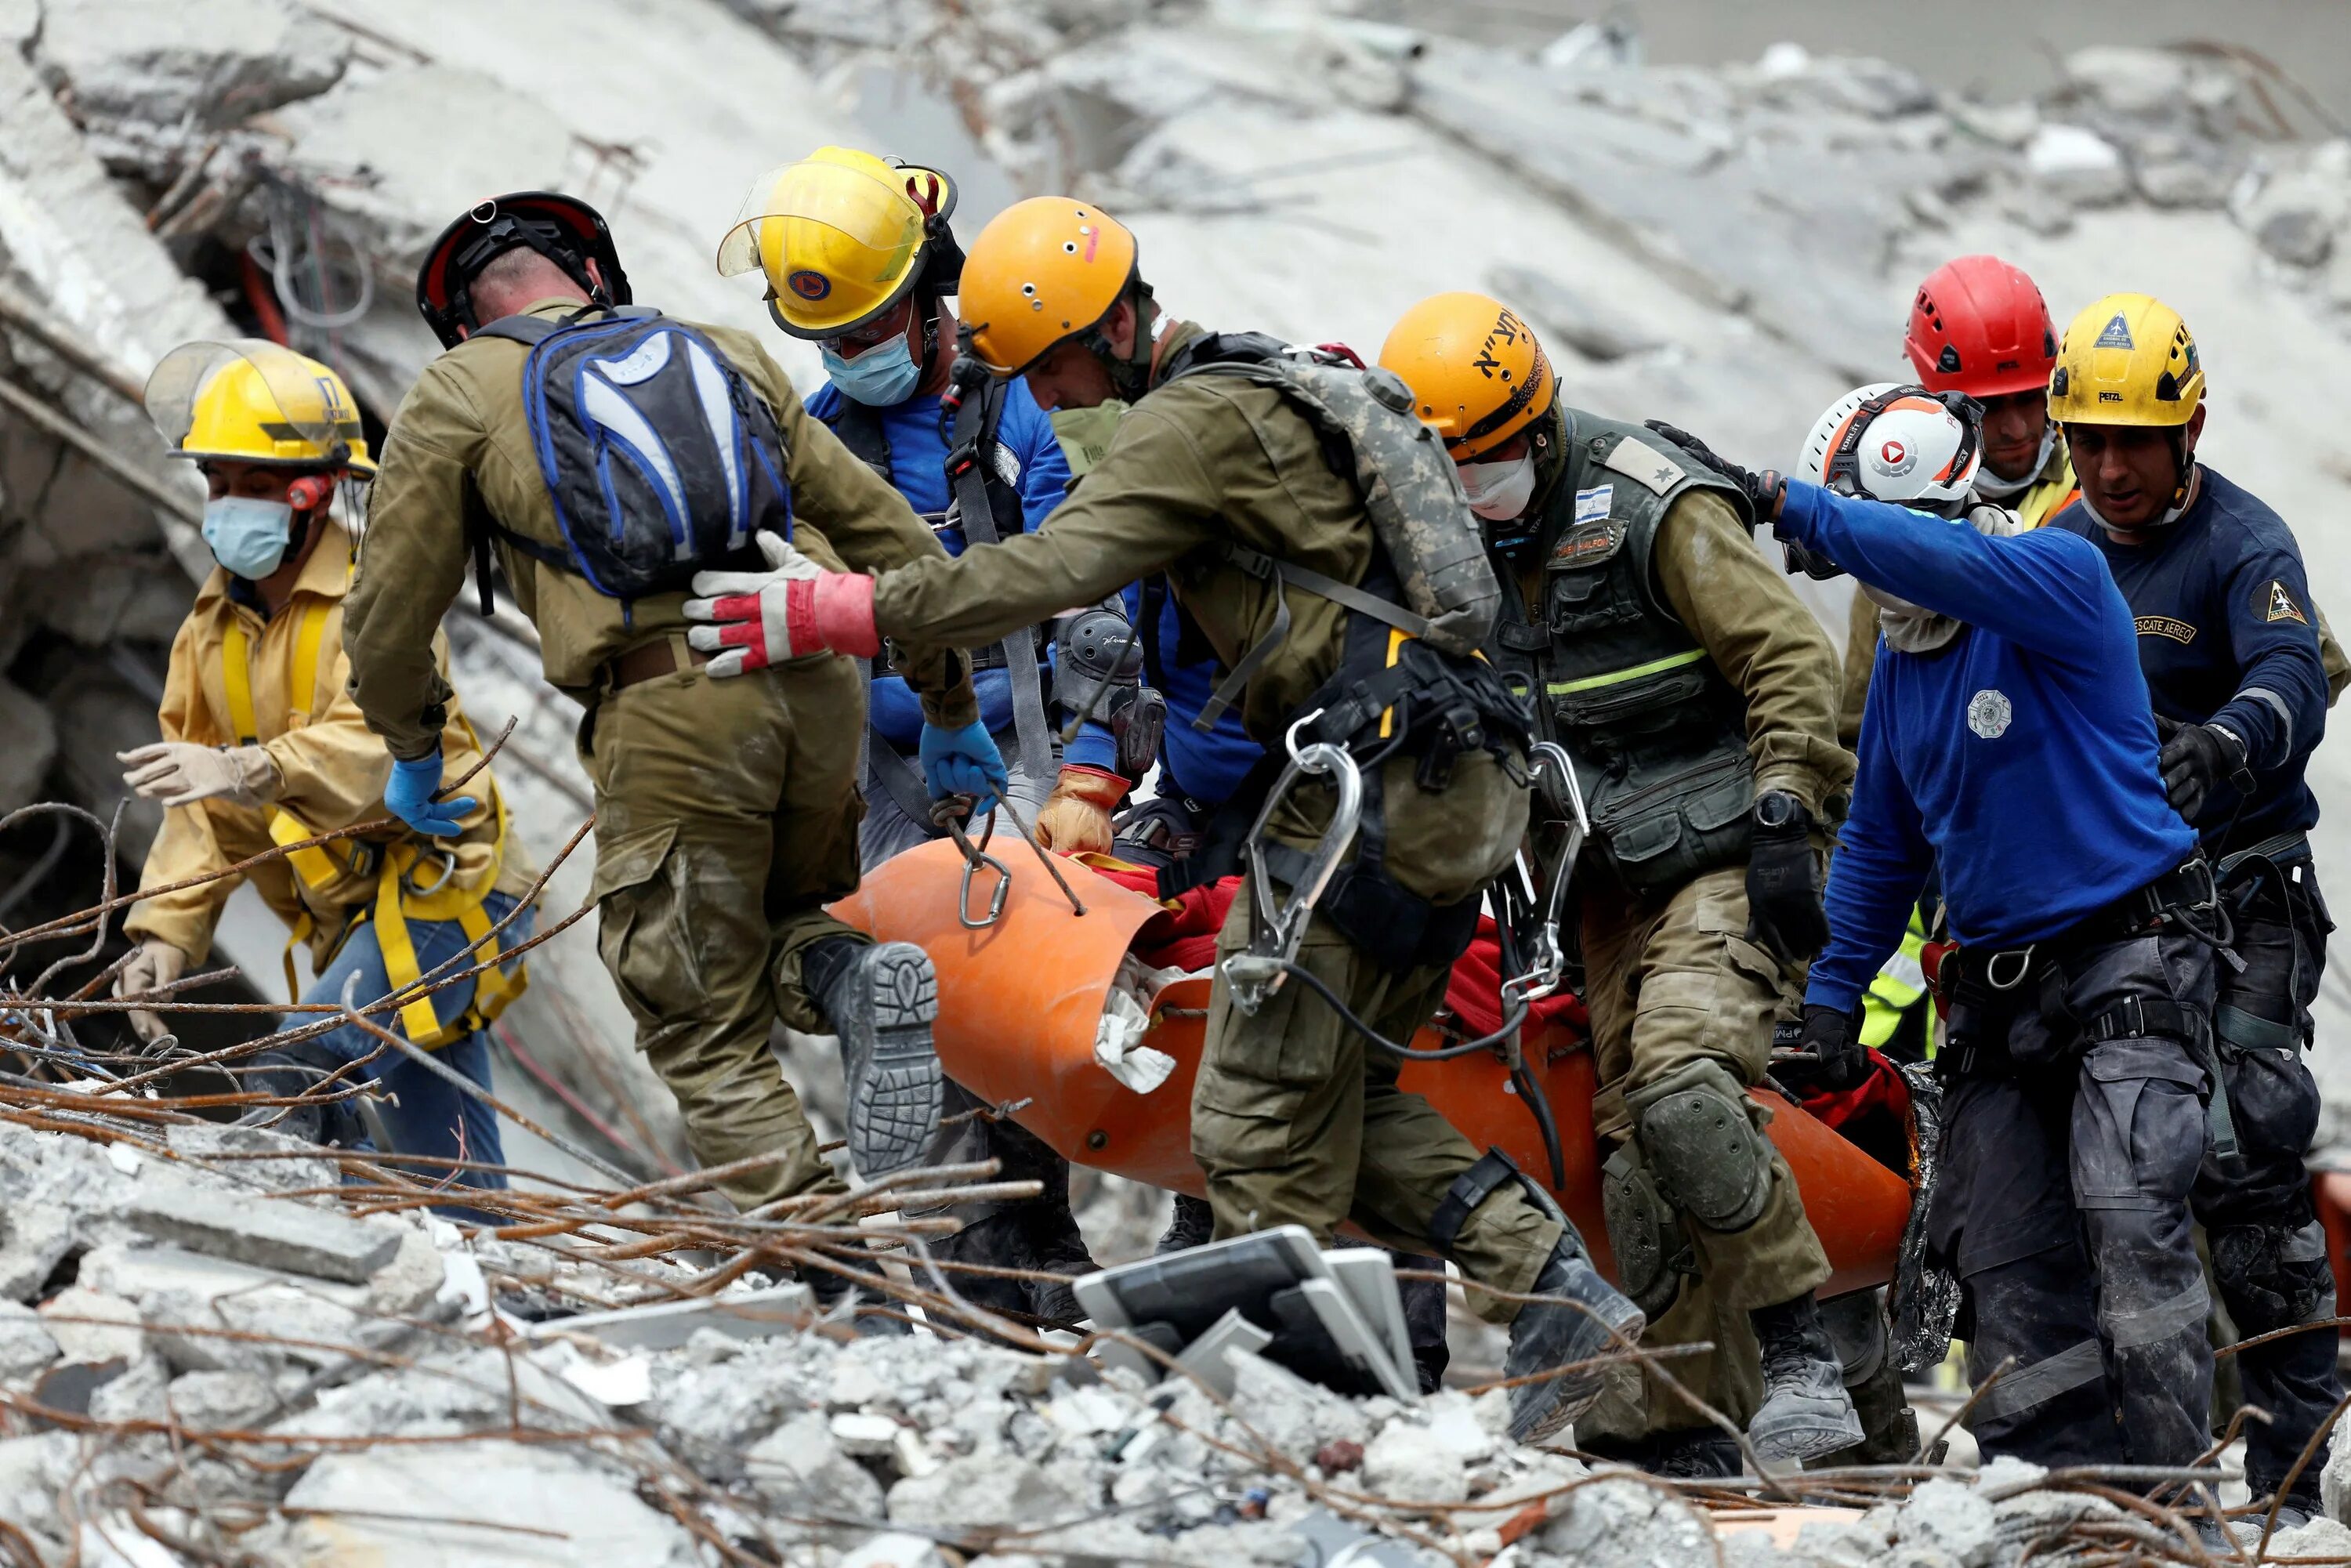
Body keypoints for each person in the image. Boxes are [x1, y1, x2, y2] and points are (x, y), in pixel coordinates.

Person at [685, 194, 1644, 1442]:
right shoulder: (1249, 384)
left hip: (1383, 787)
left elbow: (1046, 571)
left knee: (1250, 1113)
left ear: (1091, 335)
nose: (1056, 399)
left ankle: (1325, 1402)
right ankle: (1550, 1292)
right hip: (1438, 779)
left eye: (1049, 370)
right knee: (1331, 1082)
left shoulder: (1187, 425)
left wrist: (845, 613)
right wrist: (1095, 779)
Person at [341, 192, 992, 1316]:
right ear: (594, 276)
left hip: (675, 710)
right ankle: (847, 976)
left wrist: (411, 748)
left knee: (697, 1015)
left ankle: (838, 1278)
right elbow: (883, 531)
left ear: (463, 318)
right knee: (786, 922)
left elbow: (388, 619)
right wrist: (946, 704)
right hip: (819, 684)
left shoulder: (459, 390)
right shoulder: (720, 350)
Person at [1665, 386, 2219, 1472]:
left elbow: (1949, 565)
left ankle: (2173, 1497)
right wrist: (1829, 1004)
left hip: (2128, 957)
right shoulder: (1911, 670)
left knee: (2130, 1208)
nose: (1866, 576)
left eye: (1872, 535)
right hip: (2000, 999)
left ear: (1914, 515)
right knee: (2003, 1258)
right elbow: (1880, 842)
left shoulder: (2056, 577)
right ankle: (2063, 1494)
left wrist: (1784, 502)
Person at [1380, 293, 1862, 1467]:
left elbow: (1789, 658)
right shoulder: (1434, 543)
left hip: (1727, 852)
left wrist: (1791, 811)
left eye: (1483, 459)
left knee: (1685, 1086)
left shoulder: (1652, 504)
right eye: (1444, 467)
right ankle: (1668, 1431)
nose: (1467, 484)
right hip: (1594, 886)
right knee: (1632, 1161)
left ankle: (1805, 1358)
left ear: (1535, 427)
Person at [723, 147, 1141, 1324]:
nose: (850, 352)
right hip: (887, 769)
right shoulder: (816, 434)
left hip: (1027, 753)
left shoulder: (1020, 410)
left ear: (928, 296)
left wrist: (1096, 774)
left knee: (1037, 1017)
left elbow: (1095, 591)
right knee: (923, 1021)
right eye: (830, 336)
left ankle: (1101, 1255)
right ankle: (996, 1293)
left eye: (869, 326)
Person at [117, 342, 535, 1213]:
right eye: (217, 485)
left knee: (305, 1068)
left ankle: (310, 1243)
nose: (225, 508)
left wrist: (246, 766)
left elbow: (384, 747)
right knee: (445, 1165)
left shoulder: (377, 600)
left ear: (311, 490)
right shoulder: (211, 632)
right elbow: (208, 815)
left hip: (447, 889)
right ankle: (501, 1285)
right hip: (355, 922)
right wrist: (165, 930)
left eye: (250, 485)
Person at [2045, 292, 2338, 1532]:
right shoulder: (2058, 537)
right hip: (2111, 912)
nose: (2113, 467)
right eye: (2090, 439)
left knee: (2251, 1160)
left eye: (2138, 442)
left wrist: (2227, 744)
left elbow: (2292, 679)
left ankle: (2292, 1470)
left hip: (2246, 897)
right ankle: (2141, 1468)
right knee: (2120, 1174)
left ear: (2191, 430)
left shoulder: (2244, 545)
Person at [1838, 257, 2079, 1063]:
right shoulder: (1904, 518)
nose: (2016, 429)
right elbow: (1861, 736)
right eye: (1989, 407)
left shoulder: (2116, 485)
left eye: (2030, 398)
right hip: (1961, 888)